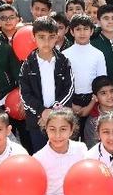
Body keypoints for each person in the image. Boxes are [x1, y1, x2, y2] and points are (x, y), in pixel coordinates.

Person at [19, 16, 75, 152]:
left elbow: (69, 90)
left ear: (57, 37)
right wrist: (42, 112)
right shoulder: (27, 64)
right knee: (40, 156)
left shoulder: (64, 61)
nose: (46, 41)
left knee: (62, 153)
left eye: (51, 37)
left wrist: (53, 112)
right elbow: (25, 94)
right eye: (41, 37)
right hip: (37, 122)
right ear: (34, 38)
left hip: (60, 119)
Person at [63, 15, 108, 133]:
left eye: (85, 29)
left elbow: (101, 82)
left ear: (92, 31)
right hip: (70, 101)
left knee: (91, 136)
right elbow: (61, 83)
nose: (82, 33)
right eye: (78, 29)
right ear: (72, 32)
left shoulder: (98, 54)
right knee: (71, 135)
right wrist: (71, 104)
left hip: (92, 101)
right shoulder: (64, 55)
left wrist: (91, 104)